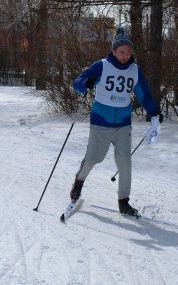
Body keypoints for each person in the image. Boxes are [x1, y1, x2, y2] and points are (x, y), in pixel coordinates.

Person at [70, 26, 163, 216]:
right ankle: (79, 180)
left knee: (125, 163)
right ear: (113, 51)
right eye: (122, 52)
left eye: (128, 52)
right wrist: (84, 84)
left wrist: (154, 112)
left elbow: (144, 95)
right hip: (100, 122)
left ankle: (124, 201)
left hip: (122, 124)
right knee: (94, 158)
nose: (125, 56)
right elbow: (78, 82)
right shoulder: (102, 66)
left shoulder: (135, 71)